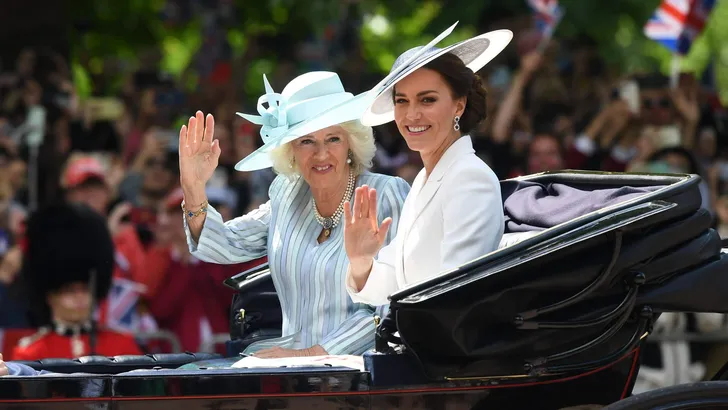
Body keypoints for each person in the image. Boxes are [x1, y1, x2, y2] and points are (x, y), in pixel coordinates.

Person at [180, 71, 410, 358]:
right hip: (287, 366)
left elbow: (391, 307)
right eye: (306, 141)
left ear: (351, 142)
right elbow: (225, 244)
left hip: (362, 371)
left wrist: (310, 355)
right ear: (290, 151)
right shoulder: (287, 193)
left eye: (333, 138)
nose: (321, 154)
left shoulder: (385, 194)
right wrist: (193, 189)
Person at [344, 23, 513, 305]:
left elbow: (456, 290)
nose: (411, 115)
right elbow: (396, 281)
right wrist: (361, 261)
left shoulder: (470, 177)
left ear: (458, 105)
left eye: (427, 100)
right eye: (402, 101)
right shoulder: (425, 178)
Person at [10, 202, 142, 361]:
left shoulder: (122, 346)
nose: (79, 297)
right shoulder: (30, 352)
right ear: (50, 296)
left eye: (85, 289)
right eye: (69, 291)